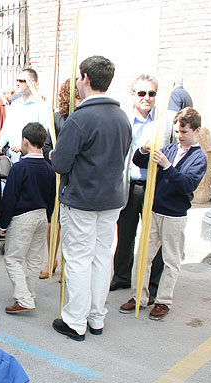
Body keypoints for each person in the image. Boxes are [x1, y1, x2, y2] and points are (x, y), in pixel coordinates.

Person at [50, 56, 132, 341]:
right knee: (100, 259)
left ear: (84, 78)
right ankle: (96, 317)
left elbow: (60, 163)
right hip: (111, 200)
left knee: (77, 260)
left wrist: (53, 155)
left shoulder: (80, 118)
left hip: (82, 200)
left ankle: (75, 321)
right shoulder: (122, 117)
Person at [119, 107, 207, 320]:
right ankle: (138, 296)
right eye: (177, 131)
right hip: (155, 210)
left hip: (174, 214)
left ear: (196, 131)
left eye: (184, 132)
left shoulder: (199, 157)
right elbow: (139, 162)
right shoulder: (169, 149)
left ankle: (163, 300)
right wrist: (144, 149)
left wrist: (167, 167)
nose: (179, 136)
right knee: (143, 257)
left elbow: (187, 184)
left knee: (171, 259)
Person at [110, 75, 172, 299]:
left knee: (155, 237)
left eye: (151, 93)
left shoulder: (165, 121)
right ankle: (122, 277)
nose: (147, 98)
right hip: (129, 184)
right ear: (132, 94)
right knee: (125, 234)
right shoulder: (123, 119)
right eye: (142, 93)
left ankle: (153, 285)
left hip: (155, 187)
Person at [0, 122, 55, 314]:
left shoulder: (19, 167)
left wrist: (3, 223)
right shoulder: (49, 169)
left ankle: (23, 298)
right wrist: (48, 216)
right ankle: (29, 294)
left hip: (23, 216)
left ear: (25, 140)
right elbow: (51, 196)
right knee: (34, 259)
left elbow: (10, 197)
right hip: (42, 215)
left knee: (13, 258)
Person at [39, 79, 80, 279]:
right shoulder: (57, 119)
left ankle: (67, 263)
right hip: (58, 177)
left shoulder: (84, 118)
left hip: (77, 179)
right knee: (52, 221)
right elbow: (46, 146)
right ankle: (51, 259)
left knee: (72, 224)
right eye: (74, 95)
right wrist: (53, 154)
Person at [0, 68, 51, 162]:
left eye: (21, 81)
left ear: (32, 82)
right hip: (10, 156)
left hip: (29, 158)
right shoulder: (15, 104)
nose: (17, 83)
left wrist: (23, 146)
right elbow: (7, 128)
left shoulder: (41, 105)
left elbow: (42, 134)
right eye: (16, 80)